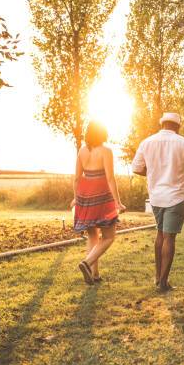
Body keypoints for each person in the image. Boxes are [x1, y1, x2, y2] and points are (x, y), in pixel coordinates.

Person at [132, 112, 184, 292]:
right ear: (178, 126)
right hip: (175, 196)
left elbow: (136, 168)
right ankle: (163, 282)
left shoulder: (147, 142)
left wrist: (151, 174)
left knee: (160, 234)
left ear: (162, 123)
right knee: (169, 237)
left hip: (156, 196)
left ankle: (158, 277)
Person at [71, 121, 126, 285]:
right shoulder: (106, 151)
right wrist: (118, 202)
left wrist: (76, 198)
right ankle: (87, 263)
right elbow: (110, 178)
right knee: (109, 236)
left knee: (93, 236)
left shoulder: (81, 151)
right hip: (102, 196)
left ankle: (94, 275)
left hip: (84, 197)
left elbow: (76, 178)